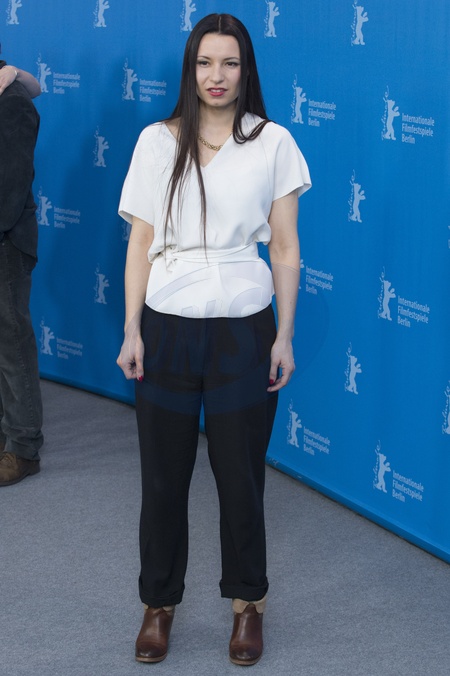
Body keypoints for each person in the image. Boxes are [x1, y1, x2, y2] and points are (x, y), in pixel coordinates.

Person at [117, 13, 311, 666]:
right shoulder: (157, 141)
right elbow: (140, 243)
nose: (216, 76)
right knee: (163, 481)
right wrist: (132, 329)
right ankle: (158, 604)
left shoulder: (273, 142)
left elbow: (284, 247)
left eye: (229, 63)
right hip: (166, 329)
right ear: (190, 69)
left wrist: (284, 334)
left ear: (246, 69)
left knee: (240, 480)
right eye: (205, 62)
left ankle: (248, 604)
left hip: (244, 332)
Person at [0, 61, 43, 486]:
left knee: (12, 346)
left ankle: (24, 448)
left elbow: (9, 189)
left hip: (6, 243)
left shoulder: (12, 103)